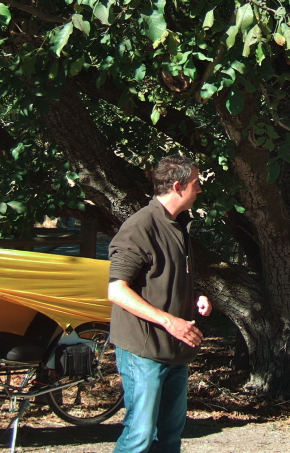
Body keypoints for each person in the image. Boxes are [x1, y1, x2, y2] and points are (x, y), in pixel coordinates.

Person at [106, 156, 206, 453]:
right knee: (140, 435)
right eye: (196, 183)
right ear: (178, 186)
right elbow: (117, 291)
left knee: (170, 436)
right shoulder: (140, 227)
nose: (199, 189)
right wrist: (168, 321)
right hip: (144, 351)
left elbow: (165, 279)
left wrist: (195, 297)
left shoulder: (177, 225)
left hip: (175, 350)